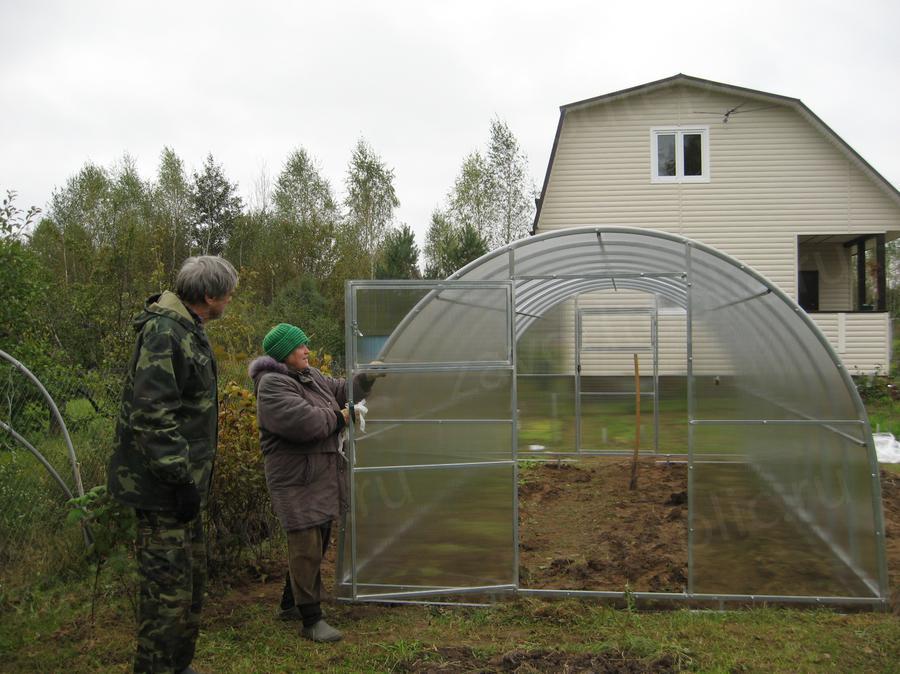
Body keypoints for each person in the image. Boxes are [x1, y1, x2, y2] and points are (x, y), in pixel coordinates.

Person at [108, 256, 238, 674]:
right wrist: (178, 479)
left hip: (181, 489)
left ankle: (178, 665)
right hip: (163, 490)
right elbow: (152, 414)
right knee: (166, 593)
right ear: (210, 296)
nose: (230, 301)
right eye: (229, 294)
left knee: (188, 587)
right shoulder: (165, 332)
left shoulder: (187, 329)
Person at [249, 323, 374, 643]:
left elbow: (341, 390)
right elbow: (305, 423)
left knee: (316, 539)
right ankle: (311, 619)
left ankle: (290, 604)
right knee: (305, 543)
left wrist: (366, 379)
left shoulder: (310, 376)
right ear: (283, 354)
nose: (307, 351)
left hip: (317, 474)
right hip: (296, 479)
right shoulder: (272, 385)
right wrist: (343, 417)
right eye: (301, 347)